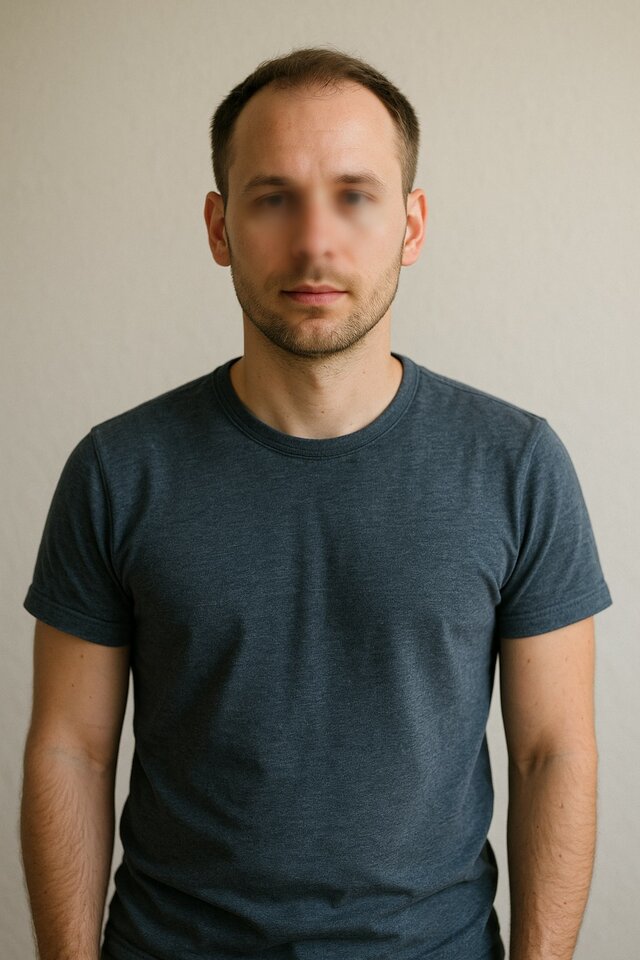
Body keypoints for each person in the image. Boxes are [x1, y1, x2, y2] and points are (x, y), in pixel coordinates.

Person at [20, 46, 613, 960]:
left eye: (355, 196)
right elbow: (71, 748)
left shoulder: (516, 464)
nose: (314, 243)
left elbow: (553, 753)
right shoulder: (118, 470)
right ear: (218, 226)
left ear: (412, 224)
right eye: (273, 198)